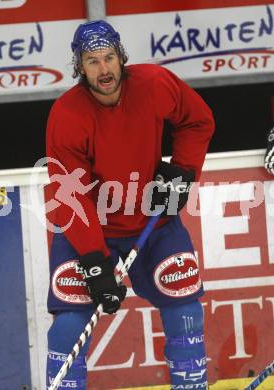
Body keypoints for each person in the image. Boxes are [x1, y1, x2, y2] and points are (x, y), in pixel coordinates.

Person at [45, 19, 215, 390]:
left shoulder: (154, 84)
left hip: (152, 222)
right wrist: (94, 261)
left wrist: (183, 171)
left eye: (109, 58)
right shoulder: (67, 115)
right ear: (79, 66)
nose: (104, 70)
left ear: (121, 57)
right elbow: (70, 196)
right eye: (92, 61)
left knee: (185, 311)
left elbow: (198, 121)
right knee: (69, 328)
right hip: (89, 229)